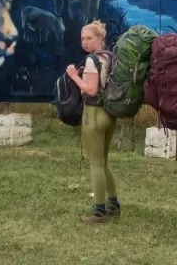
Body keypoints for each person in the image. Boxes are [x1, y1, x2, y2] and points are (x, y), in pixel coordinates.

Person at [66, 20, 119, 223]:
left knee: (95, 163)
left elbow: (91, 90)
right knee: (104, 162)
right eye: (82, 39)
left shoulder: (91, 60)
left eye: (89, 38)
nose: (85, 42)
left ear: (100, 39)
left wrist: (73, 76)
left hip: (94, 114)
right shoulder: (110, 57)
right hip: (109, 113)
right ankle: (113, 203)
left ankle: (99, 211)